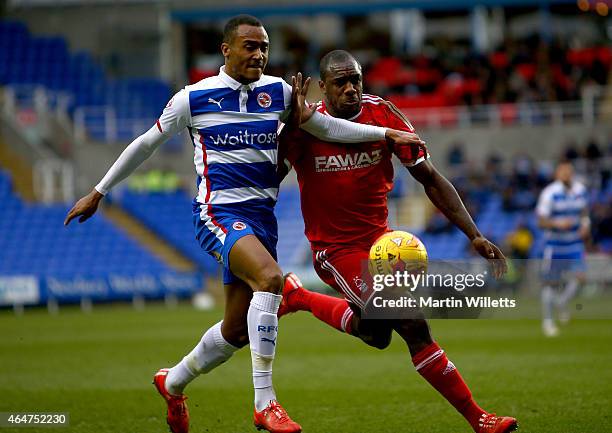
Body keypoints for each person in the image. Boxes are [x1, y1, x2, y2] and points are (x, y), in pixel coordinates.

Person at [63, 16, 423, 433]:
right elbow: (146, 143)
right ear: (226, 50)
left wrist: (386, 136)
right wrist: (99, 191)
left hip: (260, 219)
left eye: (264, 47)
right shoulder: (194, 98)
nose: (259, 54)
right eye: (250, 46)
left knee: (237, 331)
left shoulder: (279, 92)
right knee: (271, 280)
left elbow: (327, 126)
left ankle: (172, 382)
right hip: (218, 213)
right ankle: (265, 403)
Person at [276, 50, 518, 433]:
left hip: (382, 244)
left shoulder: (384, 115)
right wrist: (287, 124)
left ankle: (298, 296)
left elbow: (431, 178)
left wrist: (474, 234)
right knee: (411, 321)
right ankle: (480, 419)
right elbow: (270, 177)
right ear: (323, 87)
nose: (352, 88)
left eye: (356, 79)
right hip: (335, 250)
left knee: (376, 334)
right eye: (341, 82)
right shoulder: (305, 127)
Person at [536, 160, 589, 337]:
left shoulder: (580, 190)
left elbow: (584, 213)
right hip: (556, 245)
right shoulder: (550, 193)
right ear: (558, 174)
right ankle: (548, 321)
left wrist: (585, 225)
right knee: (551, 283)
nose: (566, 174)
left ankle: (561, 302)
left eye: (568, 171)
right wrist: (558, 223)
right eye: (562, 172)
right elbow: (541, 221)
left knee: (581, 278)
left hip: (574, 243)